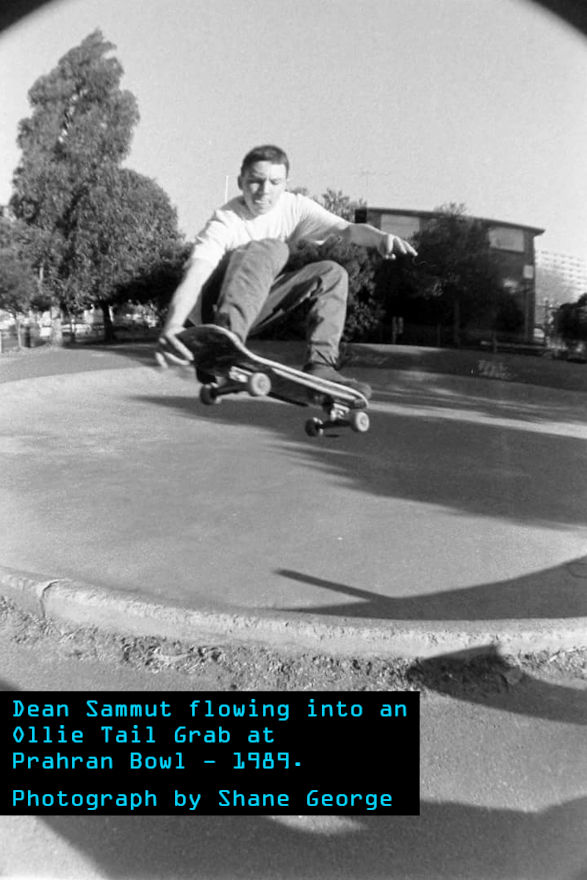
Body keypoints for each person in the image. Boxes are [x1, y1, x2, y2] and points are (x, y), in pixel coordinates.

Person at [155, 144, 417, 396]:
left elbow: (347, 229)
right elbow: (196, 274)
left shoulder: (295, 207)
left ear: (285, 184)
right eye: (255, 181)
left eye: (274, 183)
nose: (263, 191)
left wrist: (381, 238)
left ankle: (321, 366)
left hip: (254, 305)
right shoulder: (226, 220)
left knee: (333, 273)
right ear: (240, 182)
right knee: (273, 249)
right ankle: (224, 342)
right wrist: (173, 325)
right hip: (212, 310)